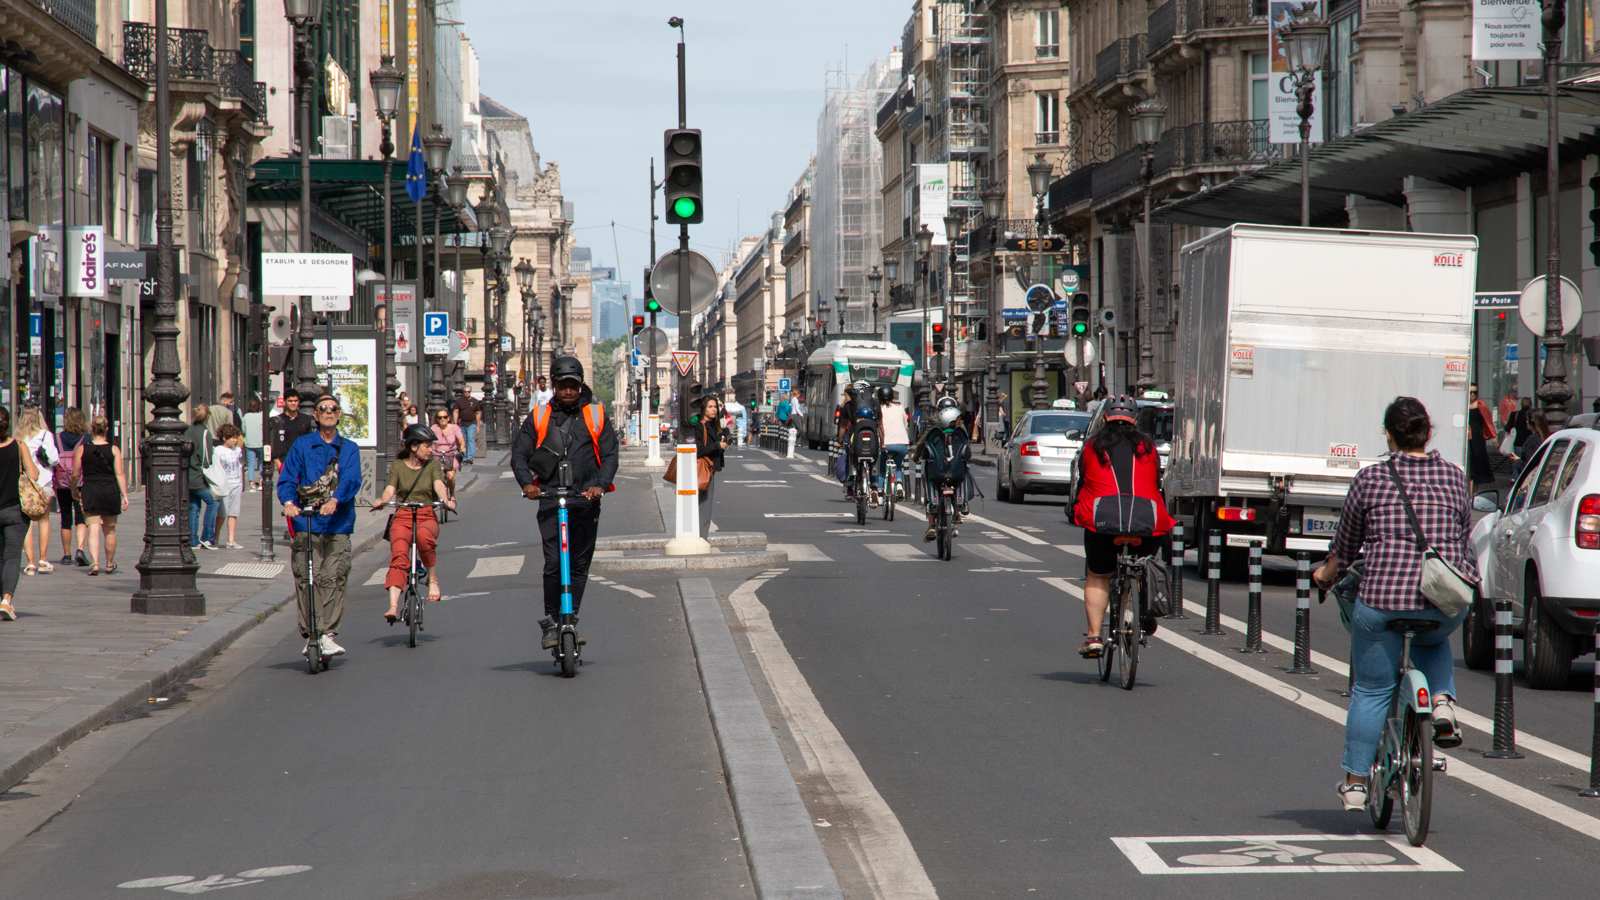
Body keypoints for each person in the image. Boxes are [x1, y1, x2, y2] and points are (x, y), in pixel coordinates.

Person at [1313, 397, 1473, 812]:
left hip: (1383, 601)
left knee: (1371, 689)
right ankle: (1442, 703)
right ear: (1429, 433)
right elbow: (1462, 540)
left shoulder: (1370, 479)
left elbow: (1346, 545)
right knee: (1433, 637)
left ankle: (1355, 783)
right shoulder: (1456, 478)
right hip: (1444, 600)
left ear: (1388, 435)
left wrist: (1325, 575)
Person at [510, 356, 619, 650]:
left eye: (573, 385)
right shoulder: (539, 416)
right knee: (554, 563)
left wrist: (600, 485)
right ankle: (551, 621)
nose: (568, 391)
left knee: (580, 564)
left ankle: (571, 619)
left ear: (580, 385)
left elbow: (610, 454)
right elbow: (519, 454)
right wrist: (528, 484)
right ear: (554, 386)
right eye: (562, 386)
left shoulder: (596, 414)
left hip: (585, 499)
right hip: (549, 499)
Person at [1068, 395, 1175, 658]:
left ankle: (1094, 637)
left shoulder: (1092, 446)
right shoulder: (1148, 447)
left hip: (1103, 521)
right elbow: (1156, 486)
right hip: (1147, 521)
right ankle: (1142, 606)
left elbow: (1083, 487)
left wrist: (1073, 509)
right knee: (1142, 565)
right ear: (1135, 420)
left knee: (1098, 575)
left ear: (1104, 417)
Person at [278, 393, 363, 659]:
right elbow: (287, 478)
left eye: (333, 408)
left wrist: (335, 500)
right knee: (307, 577)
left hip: (338, 523)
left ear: (339, 415)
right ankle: (311, 633)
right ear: (315, 415)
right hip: (307, 521)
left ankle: (327, 634)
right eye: (323, 408)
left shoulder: (349, 448)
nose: (328, 411)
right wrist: (289, 502)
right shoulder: (302, 445)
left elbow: (351, 480)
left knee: (333, 577)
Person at [374, 422, 455, 622]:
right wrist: (382, 501)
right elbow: (390, 488)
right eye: (427, 446)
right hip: (402, 515)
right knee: (399, 556)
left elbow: (439, 484)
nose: (431, 450)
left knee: (424, 536)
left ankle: (433, 580)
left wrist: (446, 500)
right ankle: (393, 606)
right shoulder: (398, 466)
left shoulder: (433, 466)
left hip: (426, 514)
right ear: (413, 446)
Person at [0, 407, 43, 620]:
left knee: (0, 556)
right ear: (9, 424)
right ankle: (7, 600)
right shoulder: (18, 446)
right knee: (12, 555)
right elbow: (34, 474)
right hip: (14, 510)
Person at [71, 416, 127, 575]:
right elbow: (120, 474)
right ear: (107, 429)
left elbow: (76, 474)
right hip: (110, 490)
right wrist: (125, 495)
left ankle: (95, 563)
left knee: (93, 529)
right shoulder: (114, 450)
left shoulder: (83, 449)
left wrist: (74, 488)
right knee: (110, 530)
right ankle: (109, 563)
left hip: (90, 490)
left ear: (92, 429)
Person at [912, 397, 971, 542]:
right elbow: (967, 449)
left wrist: (917, 456)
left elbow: (923, 442)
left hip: (937, 471)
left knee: (927, 480)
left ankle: (931, 524)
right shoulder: (960, 428)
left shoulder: (934, 425)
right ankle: (960, 506)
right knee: (964, 474)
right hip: (956, 471)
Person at [16, 406, 59, 574]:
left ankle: (30, 563)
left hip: (26, 485)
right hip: (44, 481)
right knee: (44, 520)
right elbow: (54, 459)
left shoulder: (18, 437)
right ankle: (43, 559)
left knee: (27, 523)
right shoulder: (45, 435)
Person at [54, 407, 90, 567]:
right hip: (80, 482)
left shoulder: (57, 438)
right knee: (81, 517)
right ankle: (80, 549)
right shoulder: (86, 438)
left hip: (62, 482)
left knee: (65, 517)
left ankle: (66, 554)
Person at [185, 404, 221, 550]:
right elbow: (206, 459)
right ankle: (207, 537)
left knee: (194, 507)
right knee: (213, 502)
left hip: (187, 475)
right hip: (198, 476)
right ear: (208, 416)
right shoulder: (205, 433)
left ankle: (193, 540)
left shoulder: (187, 430)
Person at [694, 395, 729, 538]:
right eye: (710, 407)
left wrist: (722, 443)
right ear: (703, 408)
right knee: (704, 506)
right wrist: (717, 446)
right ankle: (701, 537)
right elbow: (699, 449)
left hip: (710, 468)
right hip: (703, 469)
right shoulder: (700, 426)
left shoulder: (713, 425)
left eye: (715, 407)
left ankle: (701, 536)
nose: (714, 409)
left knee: (704, 505)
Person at [877, 389, 911, 498]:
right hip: (901, 444)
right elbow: (905, 425)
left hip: (885, 444)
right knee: (898, 465)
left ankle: (879, 493)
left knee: (881, 469)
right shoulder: (899, 407)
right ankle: (899, 484)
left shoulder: (878, 408)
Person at [216, 424, 246, 549]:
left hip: (236, 483)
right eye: (232, 438)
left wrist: (241, 483)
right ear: (224, 438)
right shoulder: (218, 451)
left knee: (233, 513)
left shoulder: (237, 450)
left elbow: (240, 465)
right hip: (224, 484)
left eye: (236, 437)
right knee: (222, 513)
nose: (235, 440)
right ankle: (216, 536)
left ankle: (231, 540)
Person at [1466, 383, 1495, 494]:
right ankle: (1468, 495)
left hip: (1478, 439)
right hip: (1467, 439)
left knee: (1477, 469)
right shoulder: (1463, 405)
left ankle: (1473, 495)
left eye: (1475, 392)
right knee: (1470, 469)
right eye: (1470, 392)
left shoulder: (1481, 405)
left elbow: (1488, 421)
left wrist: (1494, 436)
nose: (1472, 394)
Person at [431, 408, 466, 501]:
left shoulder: (454, 428)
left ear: (448, 418)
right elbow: (428, 440)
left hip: (451, 455)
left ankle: (452, 494)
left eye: (445, 417)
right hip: (437, 455)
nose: (442, 419)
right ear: (437, 419)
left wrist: (462, 446)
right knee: (435, 476)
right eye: (440, 417)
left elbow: (461, 439)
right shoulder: (434, 428)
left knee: (450, 476)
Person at [454, 387, 483, 466]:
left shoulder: (475, 401)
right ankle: (465, 457)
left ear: (470, 392)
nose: (467, 393)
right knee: (463, 440)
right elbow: (456, 411)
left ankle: (470, 457)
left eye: (468, 392)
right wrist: (455, 424)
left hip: (472, 423)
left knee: (470, 439)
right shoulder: (459, 401)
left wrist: (478, 426)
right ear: (463, 392)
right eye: (465, 392)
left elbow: (478, 413)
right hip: (462, 423)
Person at [243, 396, 265, 491]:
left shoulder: (246, 416)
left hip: (250, 443)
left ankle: (251, 485)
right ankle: (261, 482)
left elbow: (243, 430)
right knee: (261, 463)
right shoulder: (262, 415)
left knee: (251, 464)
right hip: (261, 442)